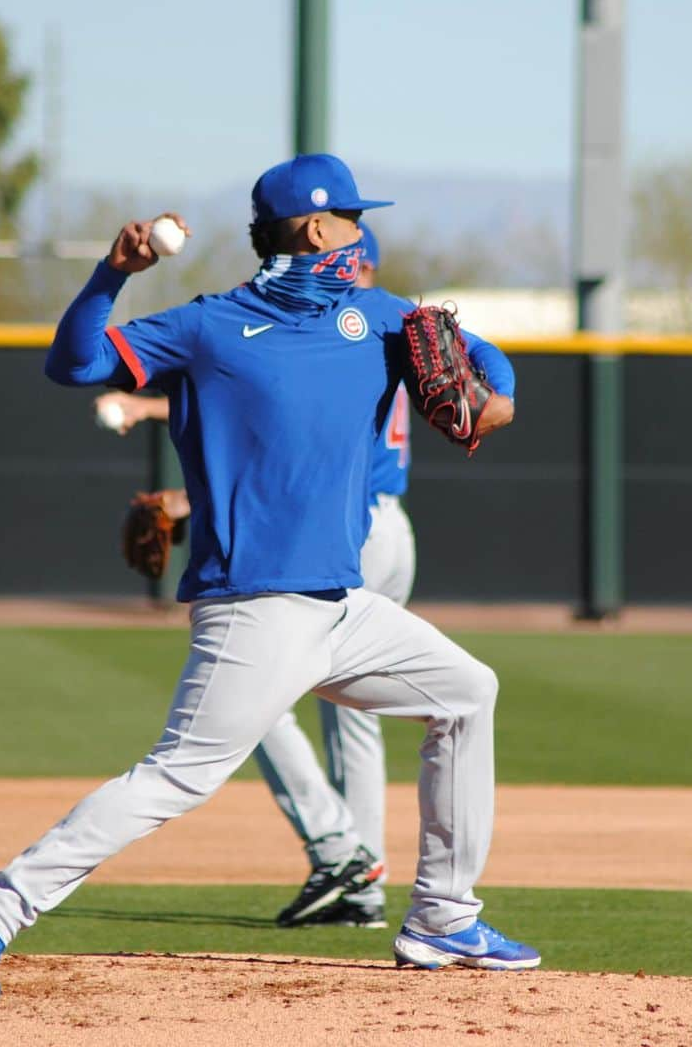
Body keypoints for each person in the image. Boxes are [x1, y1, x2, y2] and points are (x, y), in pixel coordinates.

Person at [0, 153, 538, 1003]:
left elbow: (488, 359)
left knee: (467, 692)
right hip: (253, 607)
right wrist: (113, 274)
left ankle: (442, 914)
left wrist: (491, 399)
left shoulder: (380, 317)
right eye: (355, 217)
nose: (366, 230)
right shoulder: (209, 327)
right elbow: (72, 365)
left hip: (340, 606)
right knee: (177, 776)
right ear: (319, 228)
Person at [93, 223, 517, 930]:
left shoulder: (350, 324)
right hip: (383, 524)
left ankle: (345, 852)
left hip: (347, 524)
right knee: (356, 708)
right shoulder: (383, 330)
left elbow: (276, 438)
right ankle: (363, 872)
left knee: (274, 697)